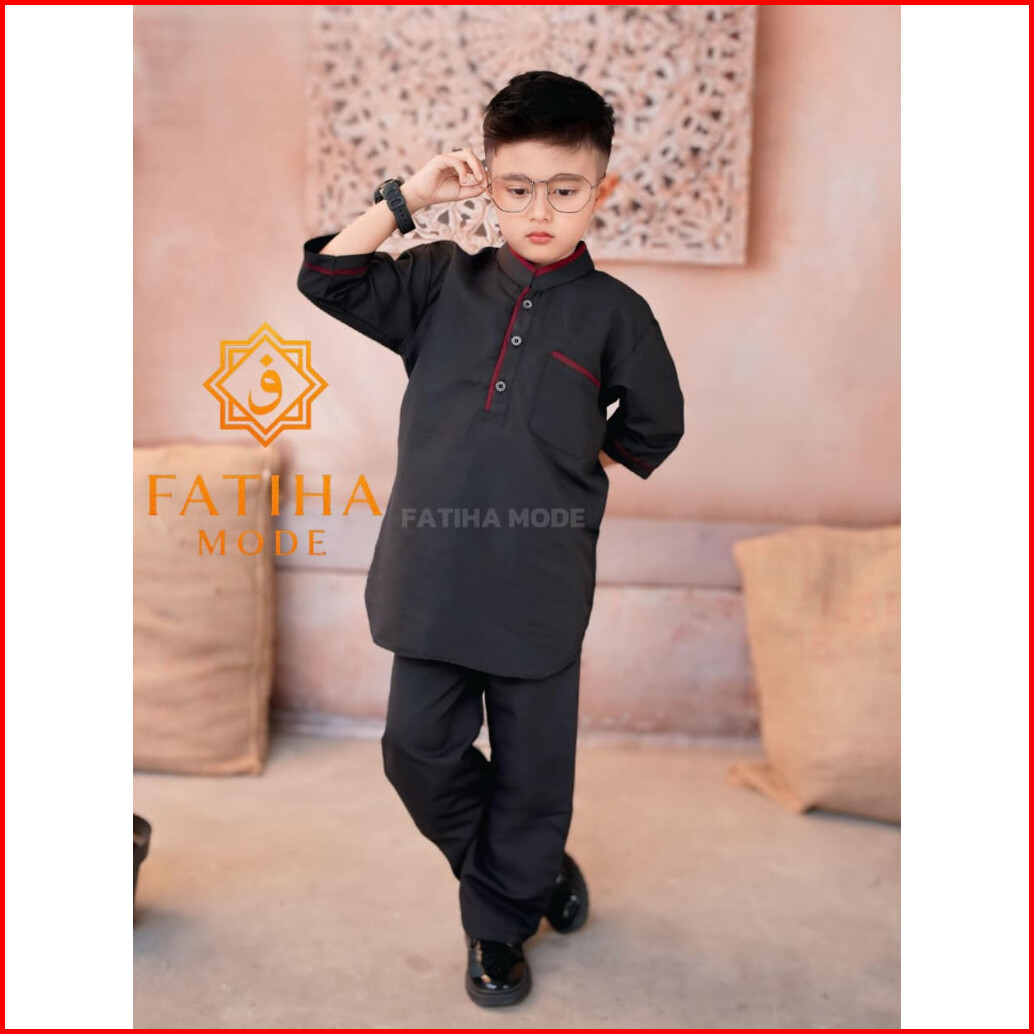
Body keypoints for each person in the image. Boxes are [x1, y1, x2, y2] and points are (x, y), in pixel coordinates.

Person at [296, 70, 685, 1008]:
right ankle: (525, 873)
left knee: (534, 776)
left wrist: (569, 456)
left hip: (541, 585)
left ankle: (498, 927)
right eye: (517, 188)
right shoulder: (441, 281)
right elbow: (329, 277)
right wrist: (410, 198)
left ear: (602, 190)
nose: (539, 210)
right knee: (415, 753)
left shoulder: (617, 315)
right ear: (489, 185)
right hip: (432, 576)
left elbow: (655, 426)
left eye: (565, 189)